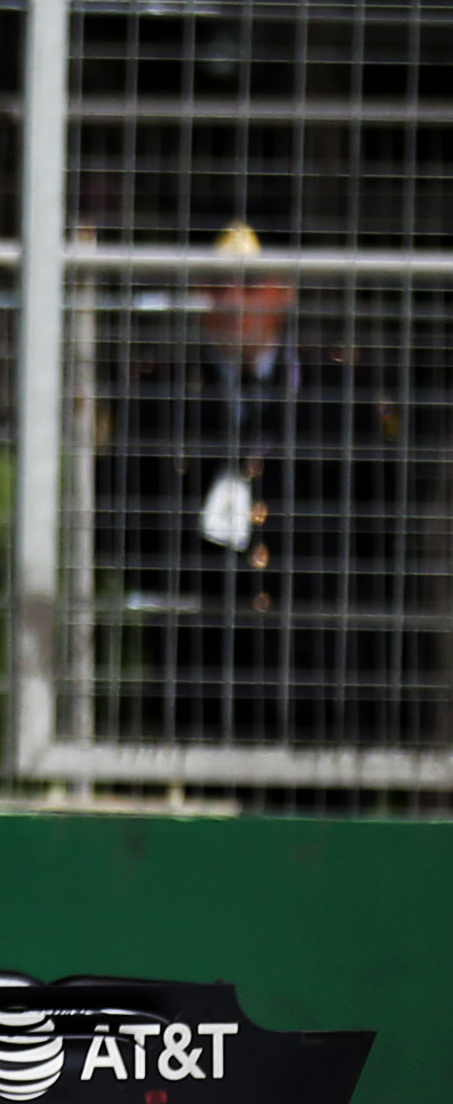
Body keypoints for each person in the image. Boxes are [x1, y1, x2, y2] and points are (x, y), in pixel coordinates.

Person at [99, 222, 422, 746]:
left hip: (321, 668)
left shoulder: (342, 392)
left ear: (284, 291)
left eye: (250, 285)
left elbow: (381, 523)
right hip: (202, 662)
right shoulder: (158, 395)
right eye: (219, 286)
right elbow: (124, 522)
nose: (234, 302)